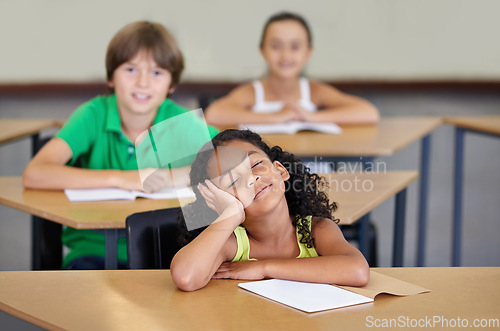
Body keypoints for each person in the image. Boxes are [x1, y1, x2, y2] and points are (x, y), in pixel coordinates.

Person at [23, 21, 218, 269]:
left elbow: (236, 160)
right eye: (130, 70)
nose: (143, 83)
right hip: (94, 253)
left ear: (171, 84)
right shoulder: (93, 114)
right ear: (111, 77)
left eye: (157, 73)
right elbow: (35, 173)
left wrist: (169, 177)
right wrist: (123, 178)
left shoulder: (181, 122)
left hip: (166, 252)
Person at [170, 129, 369, 292]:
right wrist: (230, 215)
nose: (251, 178)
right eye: (232, 180)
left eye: (256, 164)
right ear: (215, 200)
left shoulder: (316, 230)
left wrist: (263, 267)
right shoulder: (232, 243)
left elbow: (358, 271)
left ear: (281, 170)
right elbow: (186, 277)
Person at [204, 12, 379, 127]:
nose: (286, 55)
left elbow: (368, 112)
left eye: (295, 47)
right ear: (262, 50)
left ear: (308, 52)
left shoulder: (314, 90)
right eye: (276, 46)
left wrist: (311, 117)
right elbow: (214, 114)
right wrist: (276, 118)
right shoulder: (252, 92)